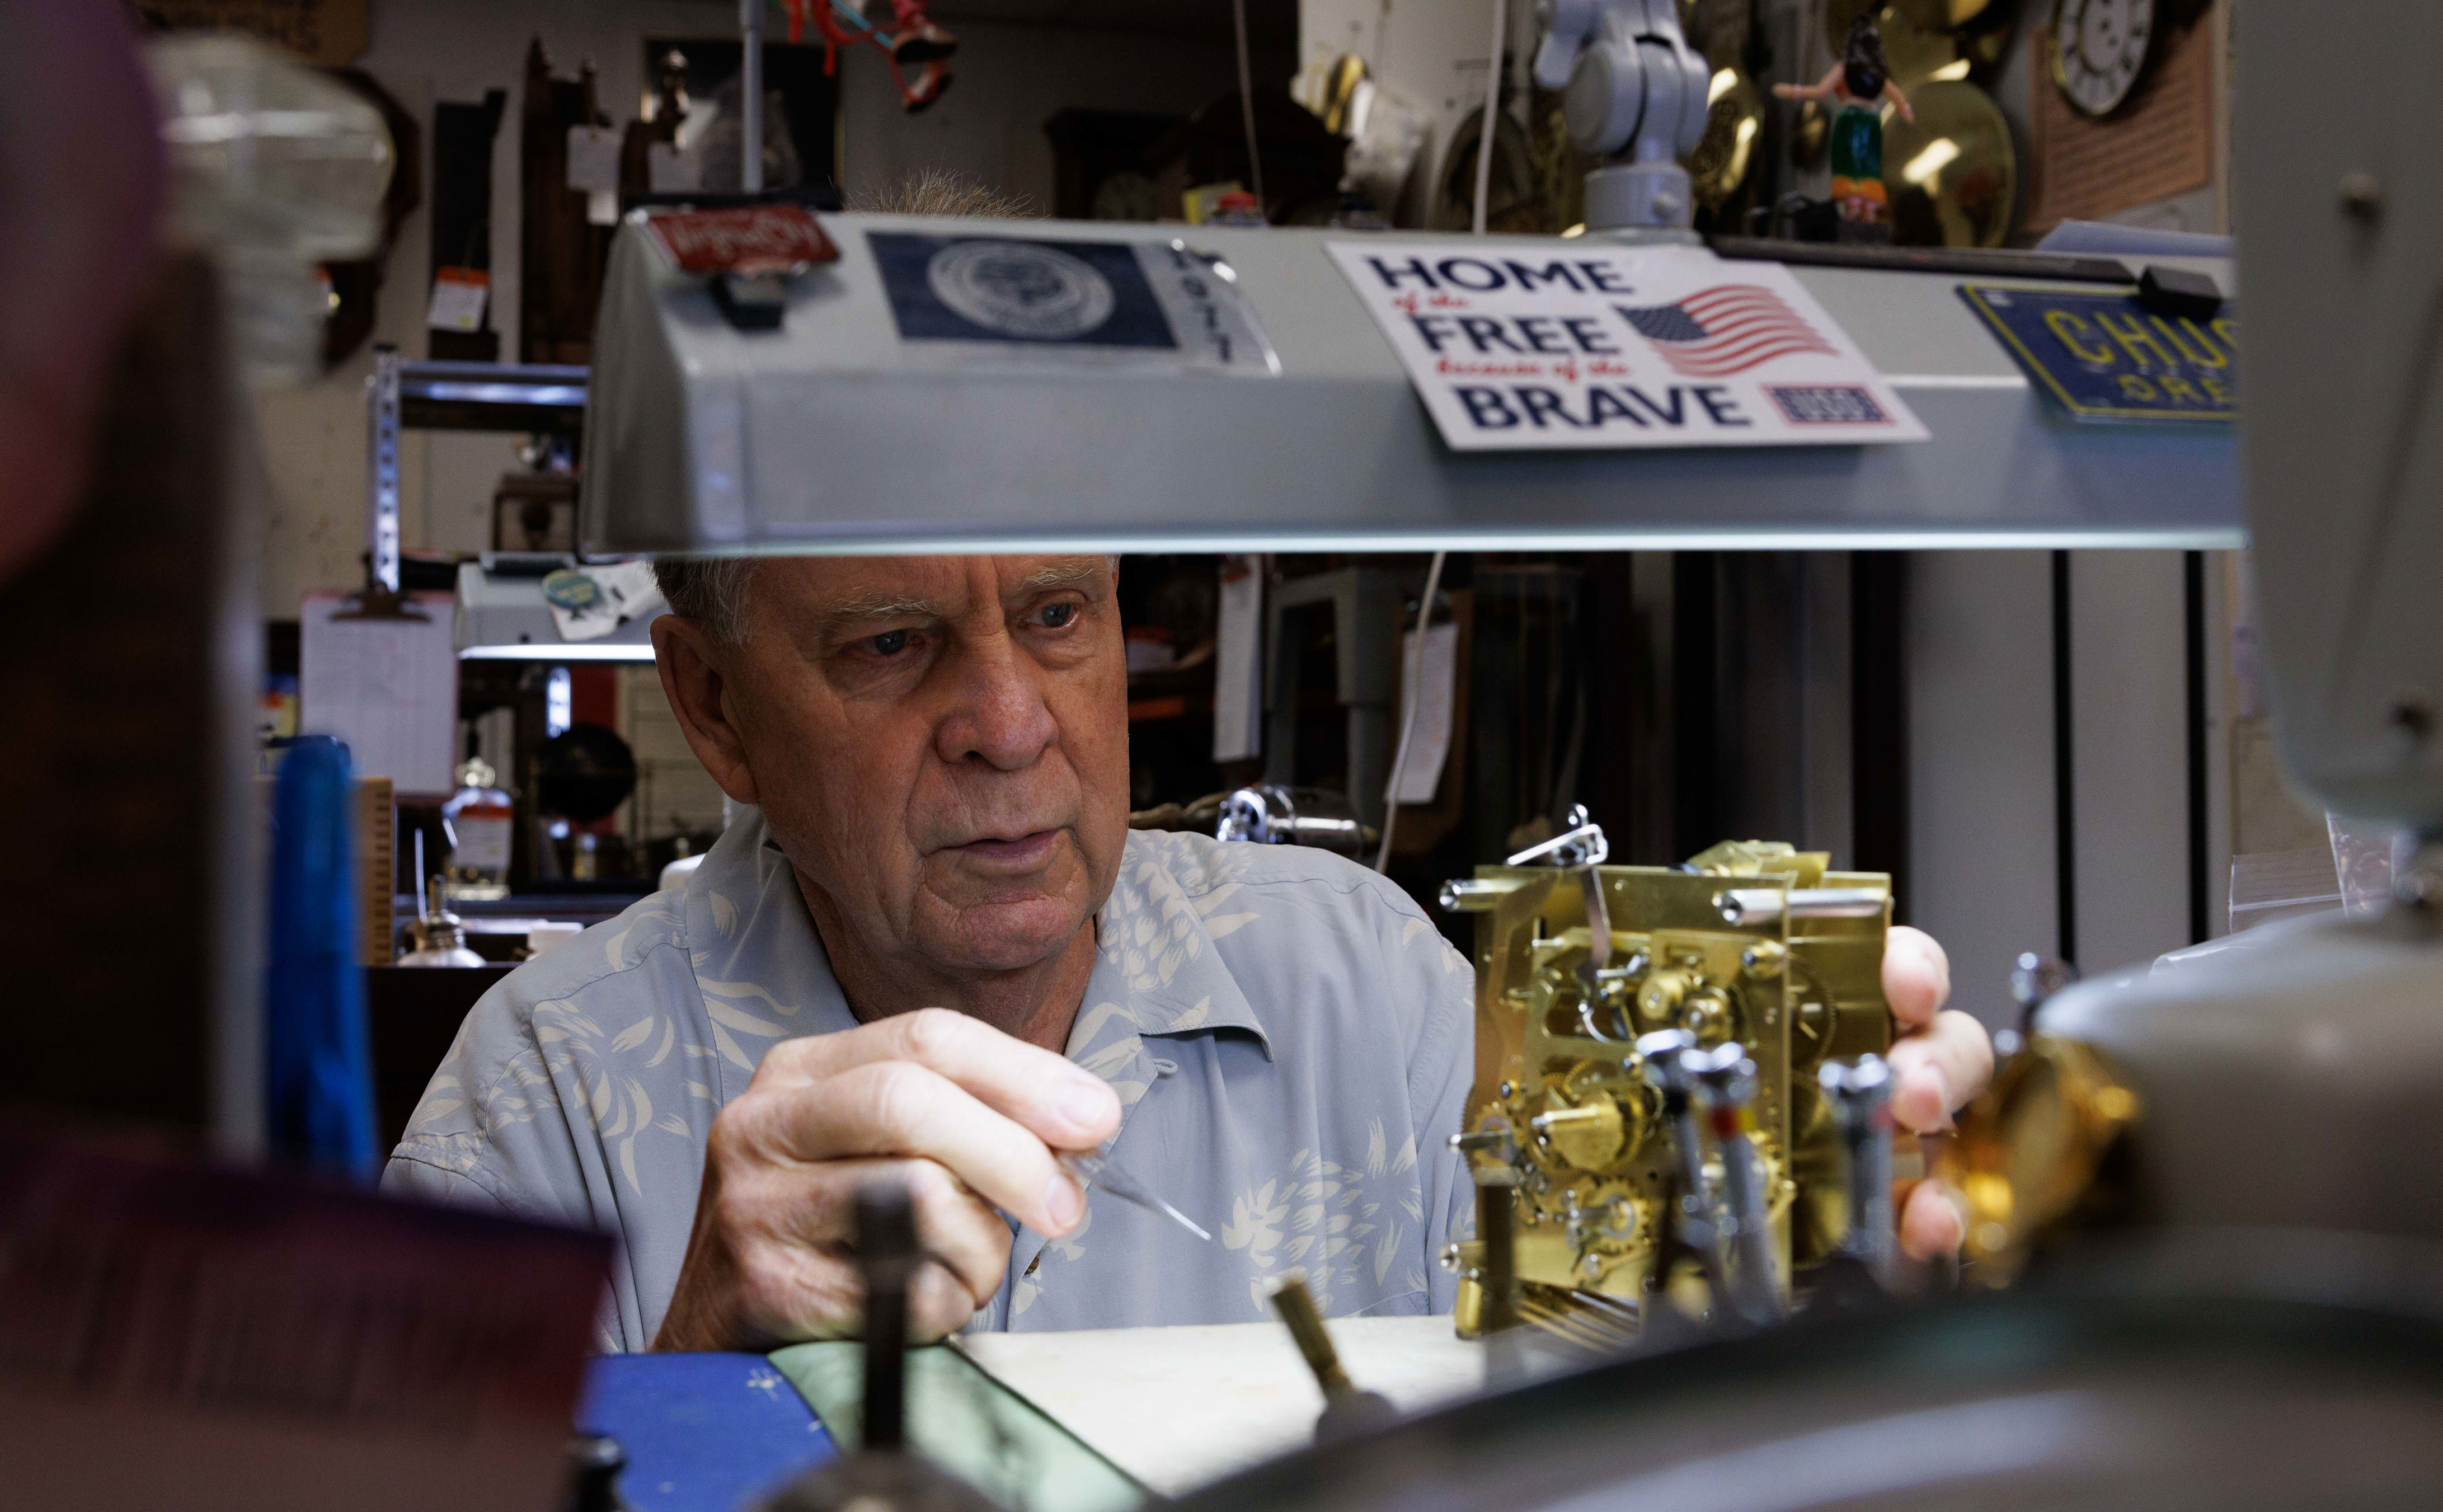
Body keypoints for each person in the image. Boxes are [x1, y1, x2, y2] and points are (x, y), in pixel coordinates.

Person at [383, 554, 1991, 1351]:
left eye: (1060, 617)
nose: (1010, 723)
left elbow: (1603, 1389)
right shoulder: (549, 1098)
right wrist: (695, 1387)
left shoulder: (1358, 974)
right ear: (714, 707)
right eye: (891, 642)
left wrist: (1826, 1271)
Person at [1775, 16, 1914, 231]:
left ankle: (1854, 215)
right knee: (1867, 169)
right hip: (1870, 124)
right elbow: (1899, 101)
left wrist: (1792, 91)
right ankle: (1866, 215)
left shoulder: (1847, 68)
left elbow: (1819, 92)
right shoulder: (1877, 74)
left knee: (1851, 169)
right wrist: (1907, 114)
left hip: (1851, 124)